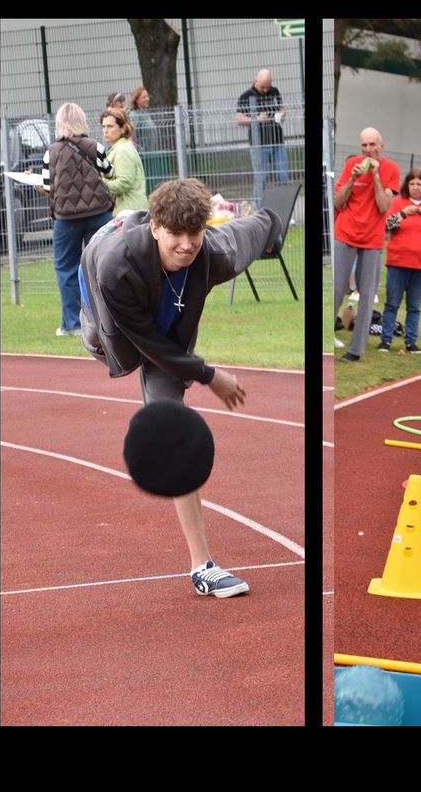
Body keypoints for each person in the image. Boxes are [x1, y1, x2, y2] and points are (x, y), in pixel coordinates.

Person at [78, 179, 284, 597]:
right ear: (156, 227)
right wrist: (211, 376)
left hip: (168, 336)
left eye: (196, 232)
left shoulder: (211, 251)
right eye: (177, 233)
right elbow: (147, 344)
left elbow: (250, 230)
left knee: (173, 433)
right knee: (114, 345)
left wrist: (273, 224)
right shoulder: (115, 268)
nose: (187, 244)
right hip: (114, 326)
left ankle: (201, 567)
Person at [39, 102, 115, 337]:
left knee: (66, 268)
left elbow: (46, 186)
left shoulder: (51, 152)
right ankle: (106, 319)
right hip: (98, 213)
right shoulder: (95, 146)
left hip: (66, 218)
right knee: (102, 265)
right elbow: (109, 172)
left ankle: (72, 323)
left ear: (59, 123)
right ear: (82, 121)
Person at [332, 127, 400, 362]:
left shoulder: (391, 169)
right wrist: (352, 178)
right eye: (364, 145)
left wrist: (376, 176)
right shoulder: (353, 165)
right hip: (346, 232)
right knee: (336, 289)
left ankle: (356, 349)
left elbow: (383, 206)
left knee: (367, 293)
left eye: (372, 144)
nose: (368, 149)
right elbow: (339, 202)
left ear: (381, 146)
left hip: (371, 238)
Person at [378, 167, 421, 354]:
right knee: (392, 302)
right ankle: (386, 340)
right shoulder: (397, 202)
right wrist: (403, 213)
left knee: (414, 306)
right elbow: (387, 225)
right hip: (397, 262)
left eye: (419, 184)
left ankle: (411, 341)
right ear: (406, 185)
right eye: (412, 184)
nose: (415, 187)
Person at [235, 68, 288, 205]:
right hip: (259, 144)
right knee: (261, 179)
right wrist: (256, 119)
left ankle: (283, 208)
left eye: (268, 86)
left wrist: (282, 114)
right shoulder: (246, 96)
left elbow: (282, 108)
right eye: (262, 87)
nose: (265, 90)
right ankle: (259, 210)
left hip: (277, 141)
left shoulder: (274, 92)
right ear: (255, 80)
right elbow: (239, 118)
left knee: (282, 177)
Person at [99, 107, 148, 216]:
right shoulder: (120, 147)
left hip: (128, 212)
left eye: (110, 126)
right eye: (103, 126)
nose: (105, 130)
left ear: (122, 128)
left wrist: (100, 184)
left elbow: (124, 183)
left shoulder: (123, 150)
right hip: (128, 210)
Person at [127, 86, 167, 195]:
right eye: (144, 97)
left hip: (150, 156)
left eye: (147, 96)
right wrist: (142, 152)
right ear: (137, 99)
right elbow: (132, 138)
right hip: (143, 157)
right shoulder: (134, 115)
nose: (147, 99)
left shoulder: (145, 114)